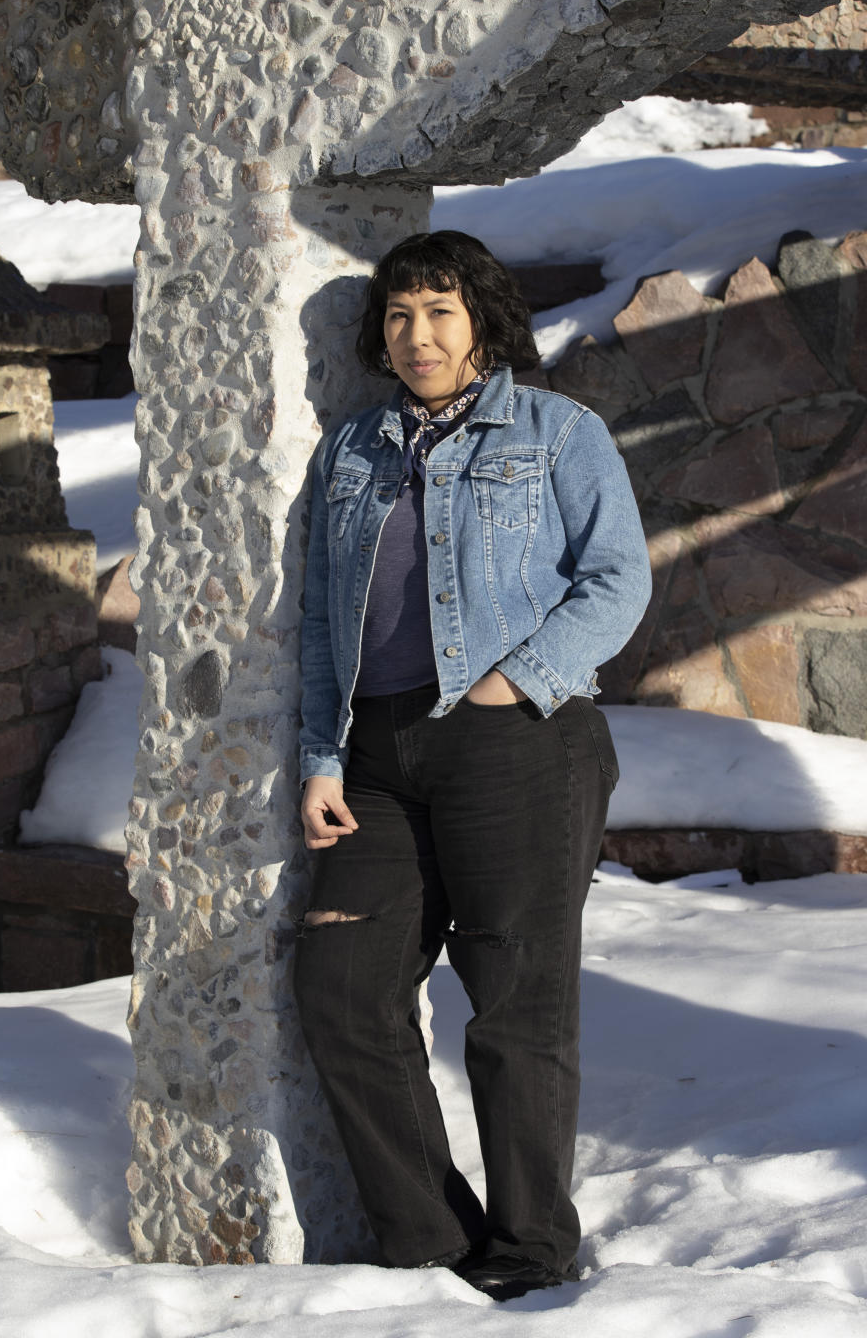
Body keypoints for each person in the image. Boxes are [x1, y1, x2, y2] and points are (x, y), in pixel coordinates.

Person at [293, 230, 651, 1301]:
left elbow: (618, 580)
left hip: (518, 741)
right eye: (399, 315)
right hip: (379, 755)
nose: (417, 335)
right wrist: (320, 755)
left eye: (441, 311)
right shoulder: (351, 451)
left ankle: (530, 1251)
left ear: (484, 321)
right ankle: (429, 1241)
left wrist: (518, 676)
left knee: (513, 999)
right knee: (342, 986)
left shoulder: (554, 432)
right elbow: (320, 623)